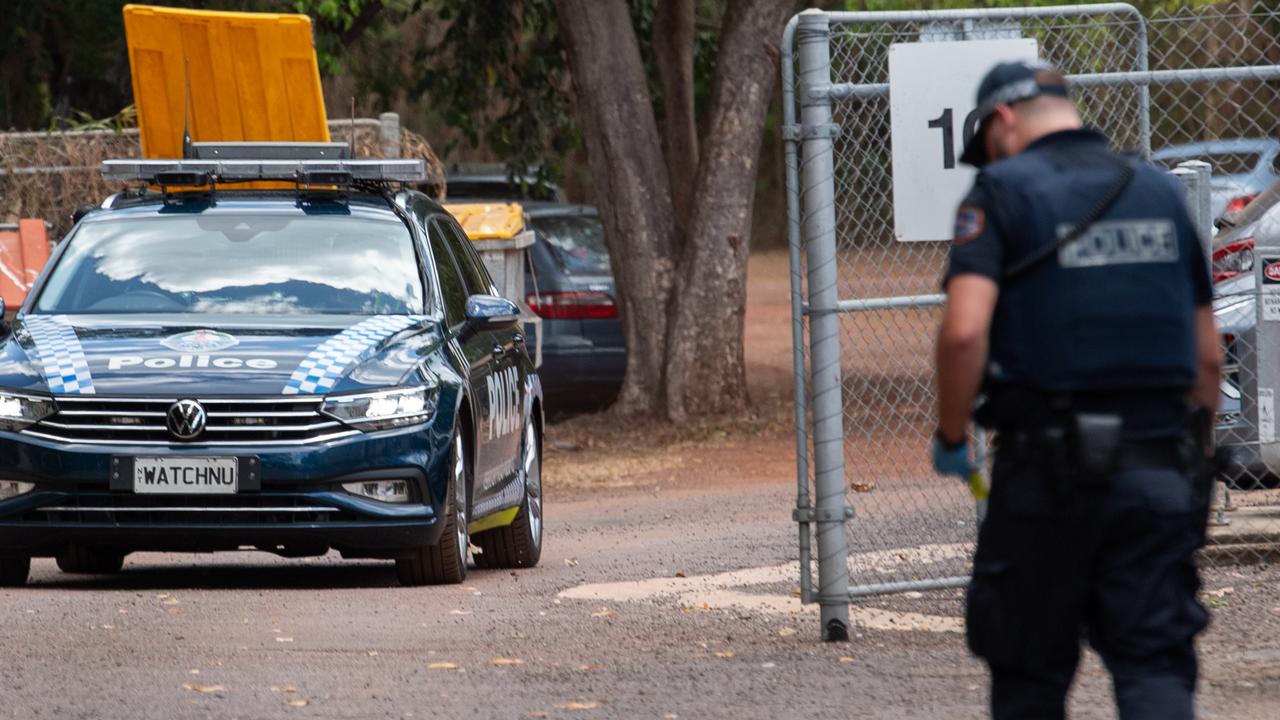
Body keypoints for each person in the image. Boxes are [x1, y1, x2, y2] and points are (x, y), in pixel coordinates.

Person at [930, 59, 1222, 720]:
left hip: (1045, 480)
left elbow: (964, 334)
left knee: (1029, 675)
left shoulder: (999, 194)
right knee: (1153, 666)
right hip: (1154, 472)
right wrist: (1188, 462)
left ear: (1003, 120)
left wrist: (952, 434)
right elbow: (1207, 360)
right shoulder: (1157, 191)